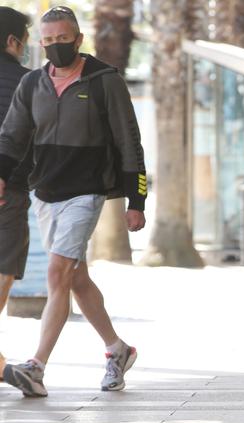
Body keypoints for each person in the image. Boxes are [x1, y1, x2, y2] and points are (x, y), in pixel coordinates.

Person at [0, 6, 146, 397]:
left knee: (56, 272)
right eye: (48, 42)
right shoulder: (32, 84)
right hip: (45, 192)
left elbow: (128, 141)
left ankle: (36, 366)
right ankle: (118, 349)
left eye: (63, 40)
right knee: (74, 278)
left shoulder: (104, 81)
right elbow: (12, 137)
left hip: (88, 191)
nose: (55, 47)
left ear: (79, 39)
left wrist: (137, 199)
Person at [0, 7, 32, 320]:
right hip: (9, 191)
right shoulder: (29, 82)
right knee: (4, 267)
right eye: (25, 40)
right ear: (12, 41)